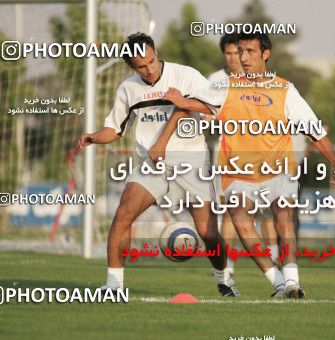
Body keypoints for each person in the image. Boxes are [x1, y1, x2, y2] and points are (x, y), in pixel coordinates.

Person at [167, 33, 335, 298]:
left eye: (251, 51)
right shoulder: (226, 86)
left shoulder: (285, 90)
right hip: (238, 171)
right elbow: (197, 102)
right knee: (240, 220)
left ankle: (292, 282)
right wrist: (182, 101)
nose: (244, 57)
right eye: (240, 51)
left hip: (279, 168)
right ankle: (277, 282)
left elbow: (315, 131)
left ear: (265, 54)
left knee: (283, 216)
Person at [74, 32, 239, 296]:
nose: (149, 69)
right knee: (123, 213)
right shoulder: (128, 89)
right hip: (154, 164)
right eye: (141, 65)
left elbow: (214, 107)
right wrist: (95, 136)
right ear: (131, 66)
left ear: (156, 52)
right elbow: (114, 129)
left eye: (152, 61)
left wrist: (181, 105)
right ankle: (113, 285)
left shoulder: (185, 75)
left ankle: (224, 279)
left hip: (192, 161)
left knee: (208, 233)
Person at [208, 33, 280, 276]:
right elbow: (206, 114)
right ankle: (227, 265)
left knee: (269, 211)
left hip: (262, 155)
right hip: (228, 153)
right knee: (231, 211)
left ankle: (274, 258)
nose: (234, 58)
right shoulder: (217, 81)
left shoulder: (262, 82)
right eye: (229, 53)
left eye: (238, 53)